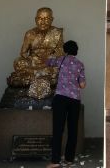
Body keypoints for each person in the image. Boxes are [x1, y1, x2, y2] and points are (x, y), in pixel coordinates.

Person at [7, 7, 64, 99]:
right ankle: (42, 74)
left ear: (52, 20)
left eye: (46, 19)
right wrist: (31, 58)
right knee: (18, 62)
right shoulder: (30, 34)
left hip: (49, 63)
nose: (43, 22)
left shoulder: (57, 33)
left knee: (61, 65)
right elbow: (23, 52)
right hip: (33, 62)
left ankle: (33, 76)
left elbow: (61, 52)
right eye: (40, 19)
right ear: (35, 19)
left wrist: (50, 58)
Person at [46, 40, 86, 168]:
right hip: (75, 100)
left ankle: (55, 161)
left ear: (65, 50)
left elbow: (47, 62)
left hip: (61, 98)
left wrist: (52, 53)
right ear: (76, 51)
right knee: (73, 130)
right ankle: (69, 159)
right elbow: (82, 85)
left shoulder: (61, 60)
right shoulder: (80, 64)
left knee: (58, 129)